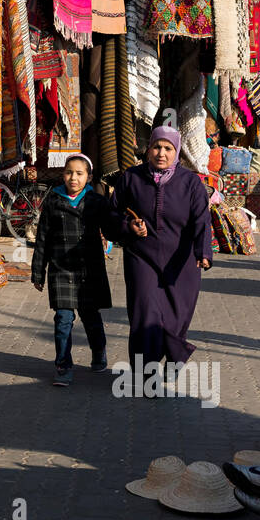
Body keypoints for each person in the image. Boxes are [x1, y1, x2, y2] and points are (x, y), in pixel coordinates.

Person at [111, 125, 212, 385]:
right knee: (145, 316)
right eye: (156, 146)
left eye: (168, 148)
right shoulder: (130, 178)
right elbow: (111, 214)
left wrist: (203, 251)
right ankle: (146, 376)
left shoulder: (191, 183)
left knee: (175, 319)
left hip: (182, 262)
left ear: (176, 151)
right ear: (148, 148)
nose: (161, 153)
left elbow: (202, 219)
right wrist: (127, 226)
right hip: (141, 257)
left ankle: (176, 357)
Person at [31, 154, 122, 386]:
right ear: (63, 175)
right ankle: (63, 366)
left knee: (91, 317)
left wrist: (128, 228)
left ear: (88, 177)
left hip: (88, 270)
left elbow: (112, 229)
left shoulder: (96, 201)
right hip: (60, 269)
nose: (73, 178)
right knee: (63, 320)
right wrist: (38, 272)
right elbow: (42, 238)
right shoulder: (53, 200)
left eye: (79, 173)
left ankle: (98, 351)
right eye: (69, 172)